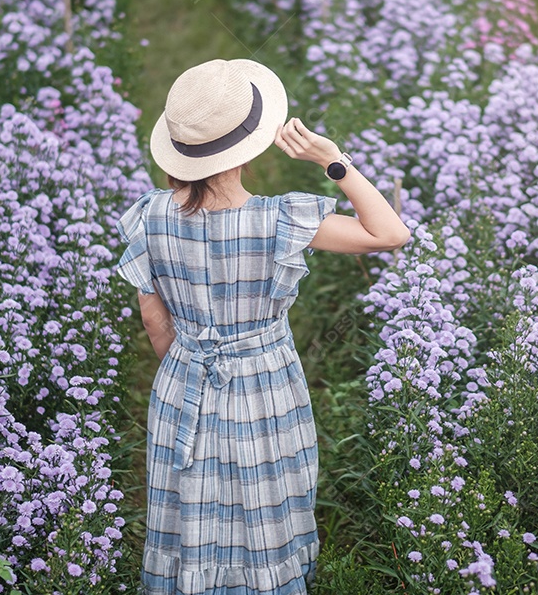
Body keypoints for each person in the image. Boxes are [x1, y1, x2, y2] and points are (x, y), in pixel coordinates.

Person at [113, 59, 410, 595]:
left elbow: (155, 323)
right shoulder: (279, 220)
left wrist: (190, 367)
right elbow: (389, 233)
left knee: (191, 502)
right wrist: (333, 160)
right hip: (265, 383)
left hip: (183, 380)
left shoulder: (148, 215)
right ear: (247, 146)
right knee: (262, 497)